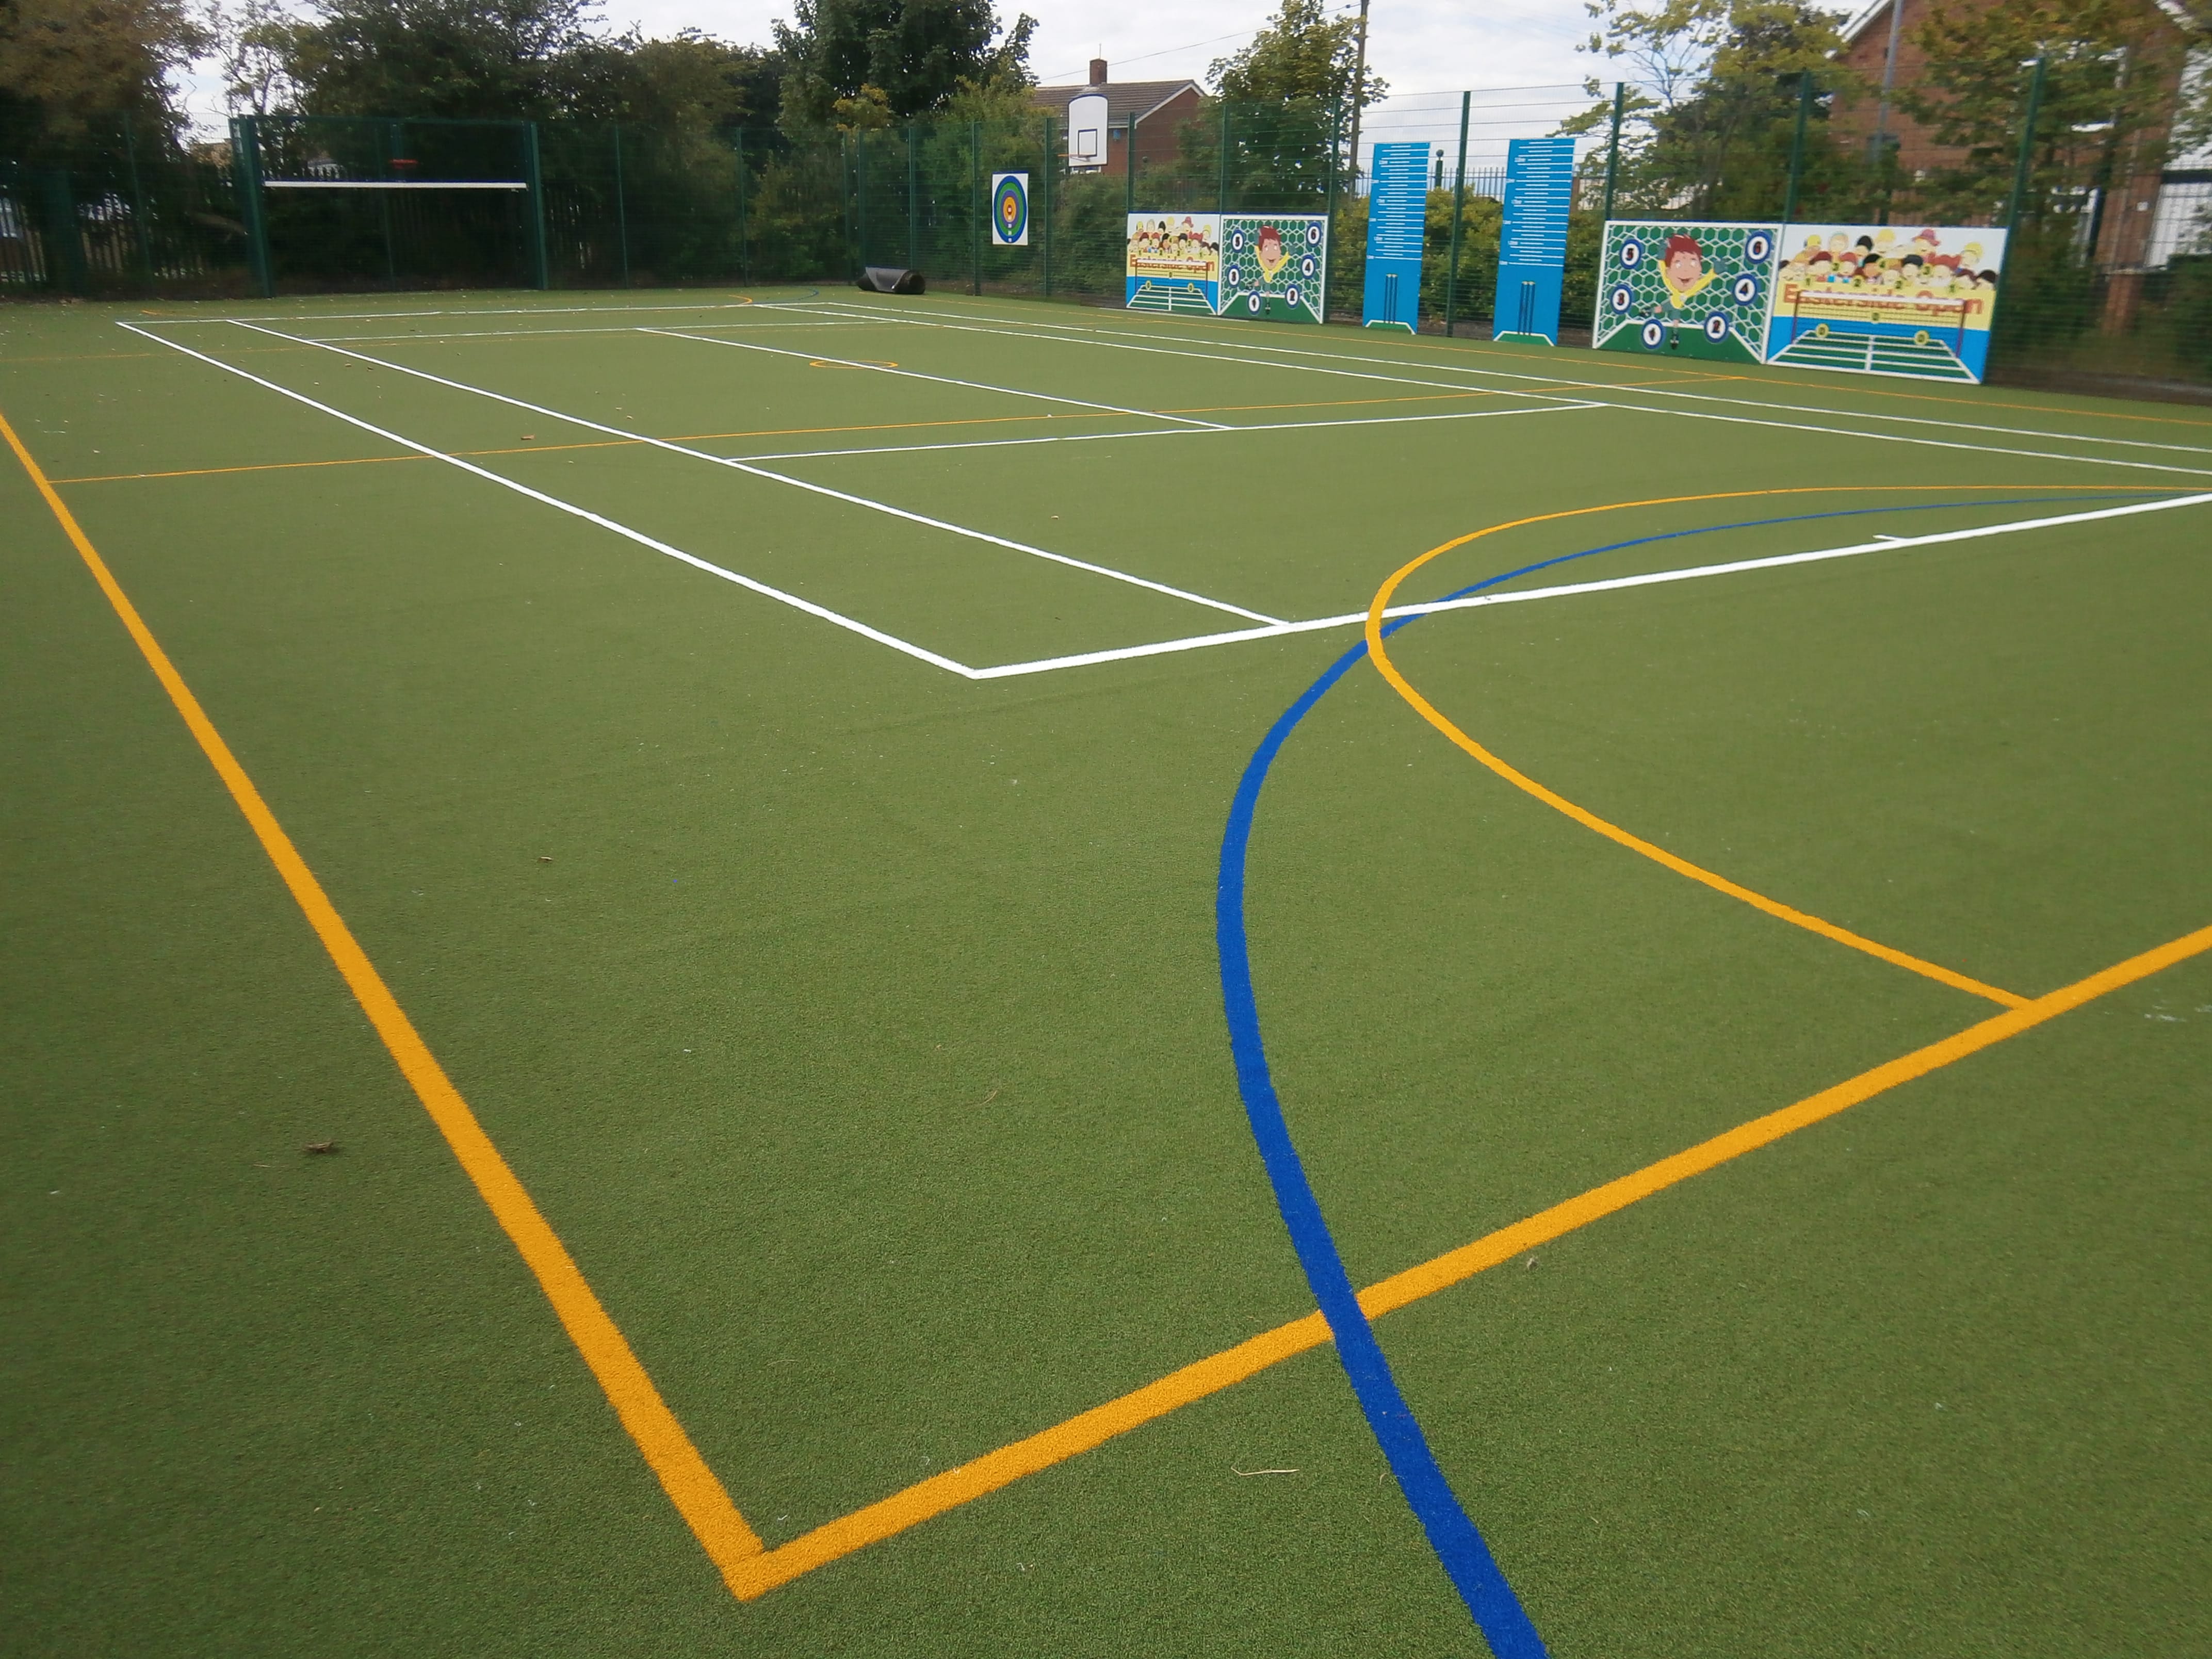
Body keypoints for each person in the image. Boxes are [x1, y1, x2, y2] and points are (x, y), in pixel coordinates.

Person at [1660, 233, 1716, 307]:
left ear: (1700, 268)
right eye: (1678, 264)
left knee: (1668, 309)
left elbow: (1701, 283)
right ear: (1668, 271)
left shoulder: (1677, 290)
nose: (1686, 270)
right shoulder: (1674, 287)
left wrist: (1714, 273)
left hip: (1674, 304)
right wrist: (1713, 273)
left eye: (1693, 264)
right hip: (1674, 304)